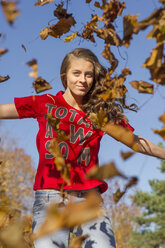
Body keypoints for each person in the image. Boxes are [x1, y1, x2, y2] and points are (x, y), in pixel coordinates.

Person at [0, 48, 165, 248]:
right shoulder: (46, 103)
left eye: (88, 74)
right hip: (50, 197)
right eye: (76, 73)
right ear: (65, 76)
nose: (83, 80)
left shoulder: (99, 114)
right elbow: (4, 110)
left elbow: (135, 142)